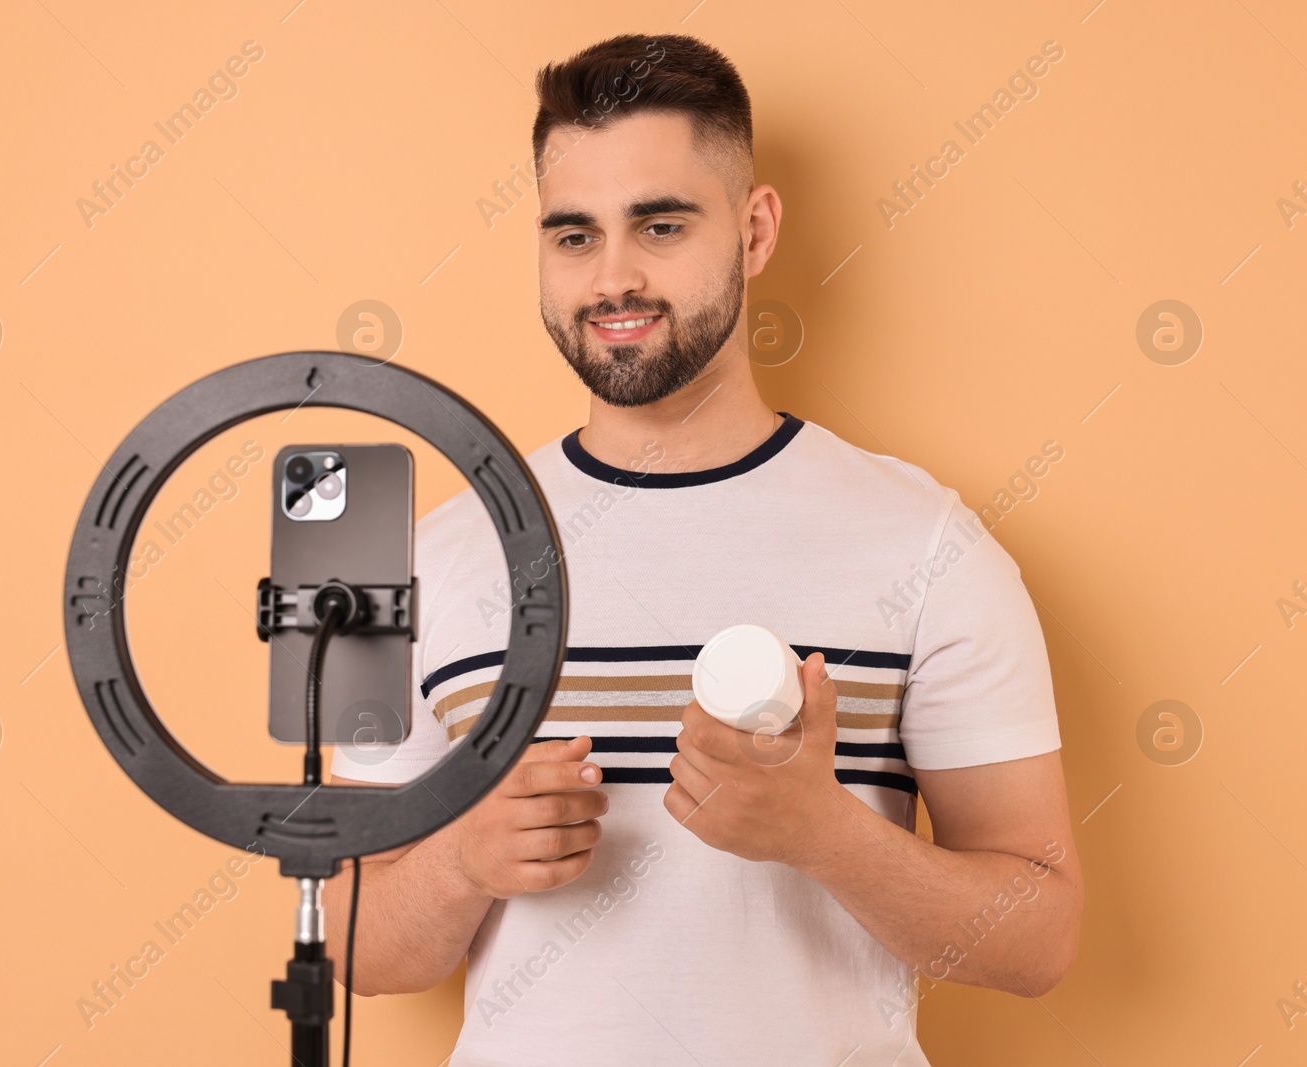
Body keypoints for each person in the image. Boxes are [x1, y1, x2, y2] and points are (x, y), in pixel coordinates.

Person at [324, 32, 1083, 1066]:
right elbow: (350, 939)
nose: (615, 277)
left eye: (661, 224)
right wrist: (461, 858)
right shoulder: (424, 555)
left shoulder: (926, 543)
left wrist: (824, 831)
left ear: (755, 228)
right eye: (573, 235)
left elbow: (1040, 934)